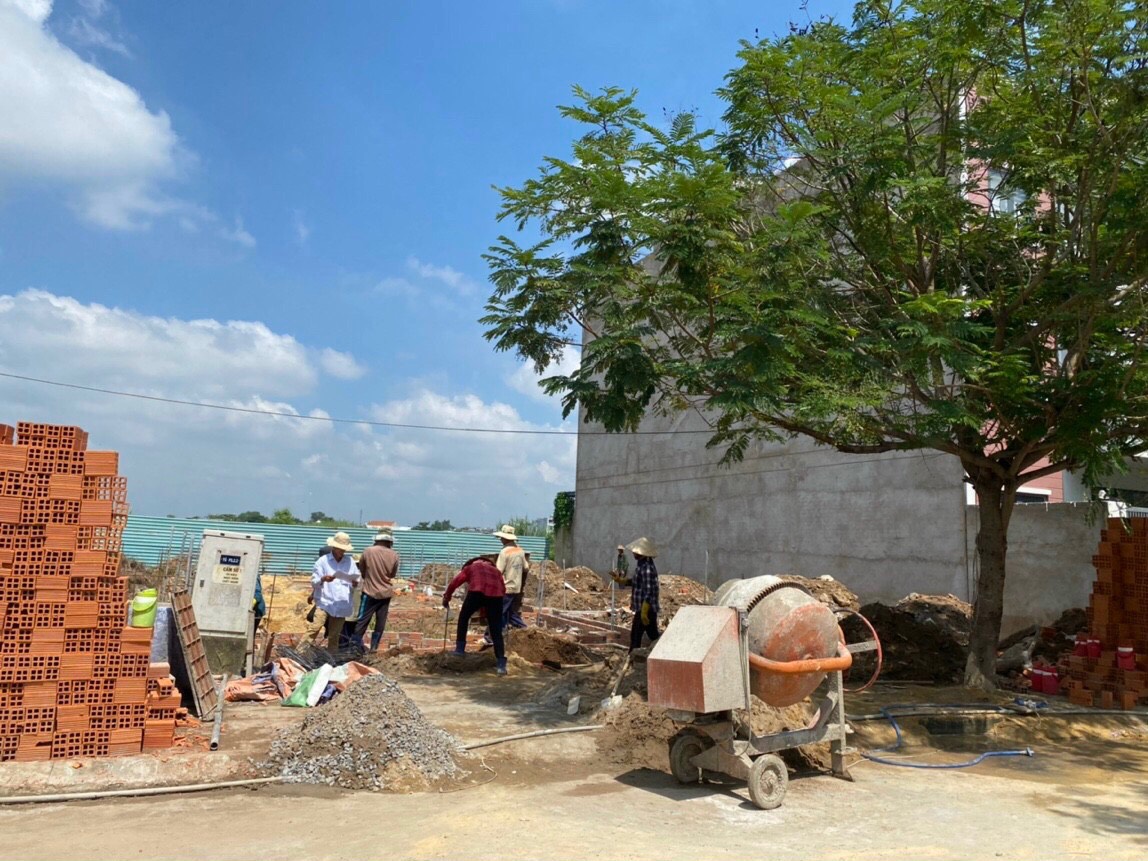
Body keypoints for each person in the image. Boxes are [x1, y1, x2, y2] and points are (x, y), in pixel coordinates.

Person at [443, 556, 508, 675]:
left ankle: (460, 649)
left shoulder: (471, 567)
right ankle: (501, 664)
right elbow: (503, 590)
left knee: (464, 617)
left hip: (476, 592)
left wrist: (447, 597)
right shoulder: (497, 571)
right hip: (496, 597)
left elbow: (455, 582)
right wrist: (488, 611)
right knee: (495, 629)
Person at [309, 531, 361, 649]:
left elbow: (355, 579)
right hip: (324, 602)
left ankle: (331, 657)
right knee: (314, 628)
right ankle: (300, 653)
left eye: (344, 550)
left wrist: (354, 582)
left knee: (334, 635)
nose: (342, 552)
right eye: (340, 549)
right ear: (334, 547)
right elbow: (314, 582)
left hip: (341, 603)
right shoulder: (323, 561)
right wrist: (323, 579)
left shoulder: (350, 562)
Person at [612, 537, 661, 652]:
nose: (634, 553)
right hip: (644, 609)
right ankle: (661, 650)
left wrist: (644, 609)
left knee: (635, 636)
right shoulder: (641, 566)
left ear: (642, 553)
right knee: (652, 635)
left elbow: (649, 590)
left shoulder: (647, 568)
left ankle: (632, 658)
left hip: (646, 609)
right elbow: (636, 582)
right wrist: (621, 580)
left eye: (635, 552)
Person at [355, 530, 400, 652]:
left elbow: (362, 569)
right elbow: (392, 574)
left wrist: (370, 577)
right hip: (385, 593)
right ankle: (374, 647)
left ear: (377, 540)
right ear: (389, 542)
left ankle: (354, 646)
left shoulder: (368, 551)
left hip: (369, 592)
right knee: (380, 621)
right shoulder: (394, 555)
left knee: (362, 620)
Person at [494, 524, 528, 631]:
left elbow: (498, 571)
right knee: (510, 612)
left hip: (506, 587)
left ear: (505, 538)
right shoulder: (520, 551)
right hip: (517, 587)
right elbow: (526, 568)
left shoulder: (504, 552)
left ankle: (491, 635)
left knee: (499, 612)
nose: (500, 540)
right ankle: (524, 629)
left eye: (501, 538)